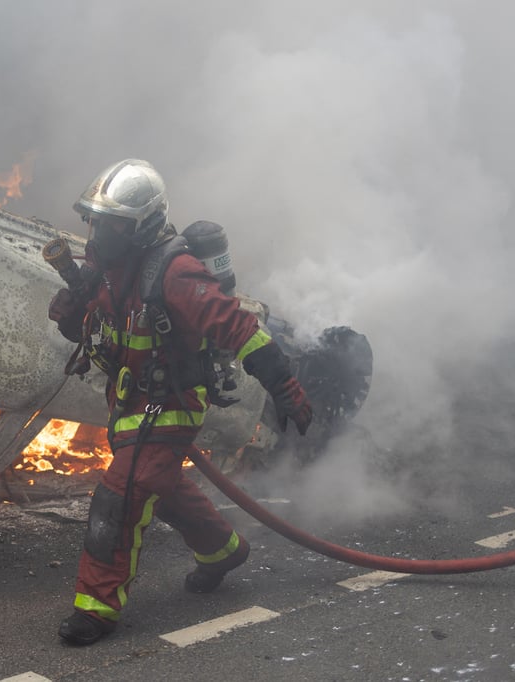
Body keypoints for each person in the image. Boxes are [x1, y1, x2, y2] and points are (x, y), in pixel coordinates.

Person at [48, 159, 313, 646]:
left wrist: (285, 387)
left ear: (141, 225)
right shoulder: (106, 267)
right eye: (93, 220)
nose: (96, 233)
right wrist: (72, 317)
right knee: (162, 486)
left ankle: (96, 607)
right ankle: (222, 550)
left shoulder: (175, 271)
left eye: (110, 223)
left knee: (122, 492)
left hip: (170, 402)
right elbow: (106, 326)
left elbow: (239, 329)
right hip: (129, 400)